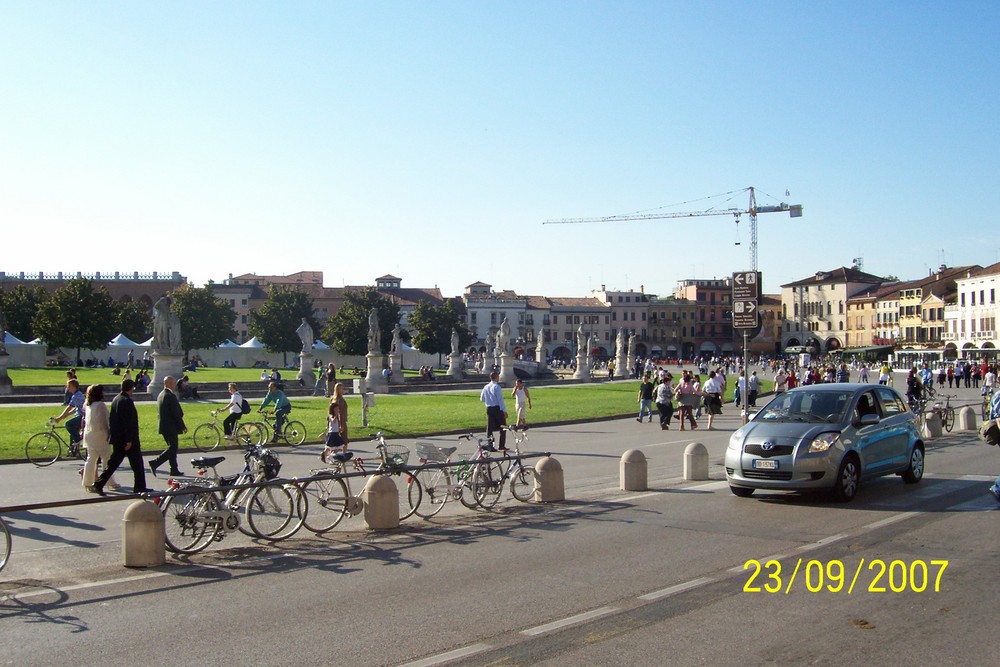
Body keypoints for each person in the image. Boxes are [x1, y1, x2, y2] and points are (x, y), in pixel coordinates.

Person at [94, 379, 147, 495]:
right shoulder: (127, 401)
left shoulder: (116, 399)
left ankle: (99, 483)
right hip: (127, 439)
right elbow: (128, 423)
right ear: (131, 388)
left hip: (118, 438)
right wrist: (128, 440)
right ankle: (139, 486)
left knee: (113, 464)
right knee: (137, 464)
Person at [81, 384, 120, 493]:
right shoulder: (101, 405)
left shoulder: (88, 404)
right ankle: (109, 482)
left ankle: (87, 483)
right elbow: (104, 422)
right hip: (100, 434)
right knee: (106, 459)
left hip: (89, 434)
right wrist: (110, 433)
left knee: (91, 459)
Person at [149, 376, 187, 477]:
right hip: (171, 426)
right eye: (173, 383)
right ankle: (155, 462)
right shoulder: (170, 396)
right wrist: (182, 426)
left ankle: (174, 469)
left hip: (164, 426)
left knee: (172, 448)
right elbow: (176, 413)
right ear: (169, 383)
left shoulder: (161, 395)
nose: (175, 384)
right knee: (173, 448)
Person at [53, 379, 86, 452]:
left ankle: (79, 440)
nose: (67, 387)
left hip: (82, 417)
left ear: (73, 387)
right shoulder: (77, 394)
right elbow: (76, 408)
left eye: (69, 386)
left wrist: (59, 418)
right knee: (73, 433)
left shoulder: (76, 396)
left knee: (68, 424)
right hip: (80, 415)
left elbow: (69, 407)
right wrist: (65, 415)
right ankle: (73, 451)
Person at [320, 383, 350, 462]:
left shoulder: (333, 398)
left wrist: (329, 423)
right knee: (344, 441)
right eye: (342, 389)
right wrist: (341, 425)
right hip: (340, 422)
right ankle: (342, 456)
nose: (343, 390)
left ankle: (325, 453)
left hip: (334, 423)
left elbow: (330, 412)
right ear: (339, 390)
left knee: (335, 442)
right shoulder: (339, 400)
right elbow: (338, 413)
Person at [479, 371, 508, 450]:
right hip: (497, 408)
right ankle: (501, 445)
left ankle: (490, 444)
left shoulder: (486, 387)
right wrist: (504, 411)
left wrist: (489, 400)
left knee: (490, 428)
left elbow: (482, 399)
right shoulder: (497, 387)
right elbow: (500, 400)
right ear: (496, 377)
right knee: (503, 427)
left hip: (489, 408)